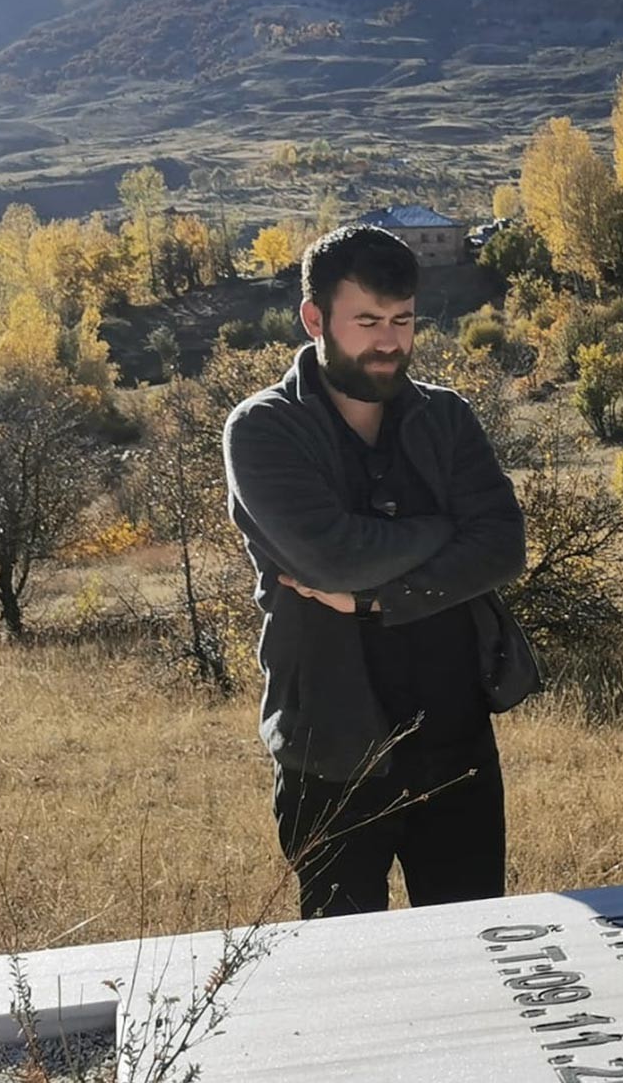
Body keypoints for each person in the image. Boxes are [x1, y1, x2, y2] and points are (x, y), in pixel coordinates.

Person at [223, 225, 534, 917]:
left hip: (456, 741)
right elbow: (331, 557)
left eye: (402, 321)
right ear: (314, 319)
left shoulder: (446, 417)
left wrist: (370, 604)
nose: (389, 341)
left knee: (473, 953)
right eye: (367, 321)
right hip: (331, 748)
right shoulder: (263, 430)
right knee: (345, 973)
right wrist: (443, 530)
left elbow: (504, 547)